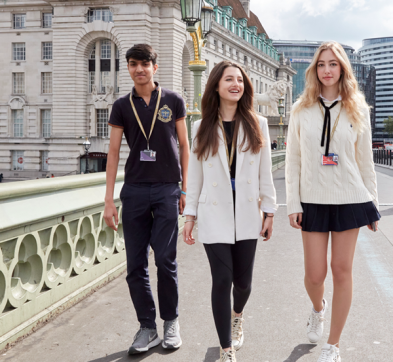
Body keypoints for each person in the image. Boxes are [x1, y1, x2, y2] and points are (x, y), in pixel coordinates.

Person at [286, 41, 380, 362]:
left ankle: (333, 344)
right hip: (311, 200)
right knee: (315, 275)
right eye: (322, 64)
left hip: (350, 198)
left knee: (342, 271)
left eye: (333, 64)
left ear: (342, 69)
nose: (327, 70)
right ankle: (318, 308)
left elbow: (365, 161)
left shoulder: (358, 109)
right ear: (315, 69)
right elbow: (293, 160)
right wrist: (293, 204)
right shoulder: (301, 109)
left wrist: (373, 203)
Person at [183, 61, 277, 362]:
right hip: (215, 213)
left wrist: (270, 210)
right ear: (216, 85)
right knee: (222, 281)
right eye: (228, 79)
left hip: (248, 212)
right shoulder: (201, 126)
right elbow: (194, 175)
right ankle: (226, 349)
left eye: (239, 80)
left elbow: (265, 172)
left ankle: (238, 314)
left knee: (243, 283)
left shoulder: (257, 123)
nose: (235, 84)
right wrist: (190, 214)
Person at [103, 44, 189, 355]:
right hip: (135, 189)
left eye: (144, 64)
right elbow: (113, 153)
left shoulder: (173, 100)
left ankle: (171, 322)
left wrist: (184, 188)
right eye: (132, 64)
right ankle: (147, 327)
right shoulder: (121, 105)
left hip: (167, 188)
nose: (139, 69)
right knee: (134, 265)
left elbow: (183, 145)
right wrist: (109, 200)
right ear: (128, 68)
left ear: (155, 66)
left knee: (165, 259)